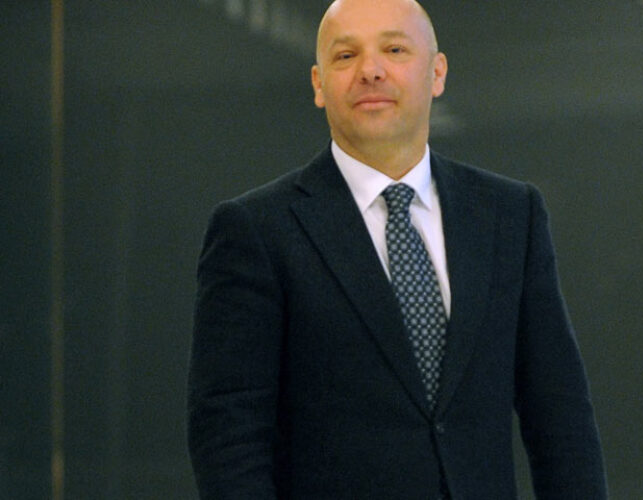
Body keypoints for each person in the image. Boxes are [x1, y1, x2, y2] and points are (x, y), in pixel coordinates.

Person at [187, 0, 607, 498]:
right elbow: (229, 435)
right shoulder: (257, 230)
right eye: (346, 56)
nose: (370, 70)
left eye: (394, 50)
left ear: (437, 73)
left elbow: (559, 411)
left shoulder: (510, 215)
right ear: (319, 84)